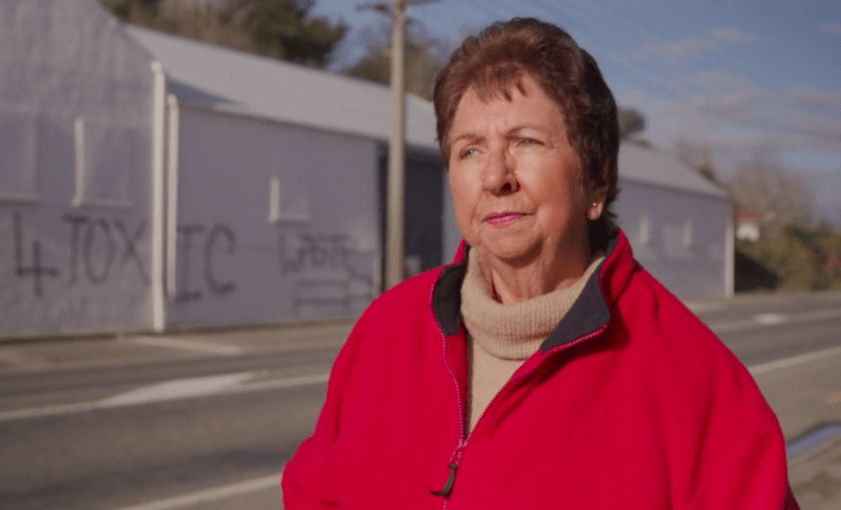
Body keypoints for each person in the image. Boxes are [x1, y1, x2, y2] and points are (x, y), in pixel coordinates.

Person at [282, 18, 799, 509]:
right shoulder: (385, 330)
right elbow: (315, 492)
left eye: (524, 142)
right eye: (468, 150)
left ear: (596, 178)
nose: (493, 176)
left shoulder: (699, 387)